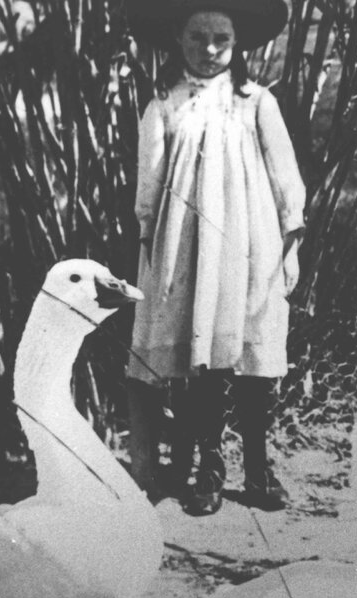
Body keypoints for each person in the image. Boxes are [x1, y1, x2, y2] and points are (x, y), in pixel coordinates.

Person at [125, 0, 305, 515]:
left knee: (252, 357)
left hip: (251, 246)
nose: (209, 49)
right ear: (178, 39)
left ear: (237, 41)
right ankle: (210, 466)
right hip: (188, 251)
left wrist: (291, 242)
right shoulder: (165, 105)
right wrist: (152, 246)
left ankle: (258, 468)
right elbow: (149, 187)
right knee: (202, 358)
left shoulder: (256, 103)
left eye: (220, 39)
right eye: (197, 37)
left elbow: (285, 177)